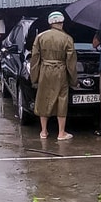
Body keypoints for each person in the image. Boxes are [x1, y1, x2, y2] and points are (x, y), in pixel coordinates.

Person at [29, 11, 77, 141]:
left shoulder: (40, 37)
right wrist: (73, 80)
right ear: (61, 22)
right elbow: (71, 62)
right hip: (60, 71)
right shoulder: (67, 38)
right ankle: (61, 133)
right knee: (62, 100)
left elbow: (35, 59)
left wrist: (34, 77)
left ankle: (44, 131)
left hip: (45, 70)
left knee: (43, 97)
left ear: (50, 23)